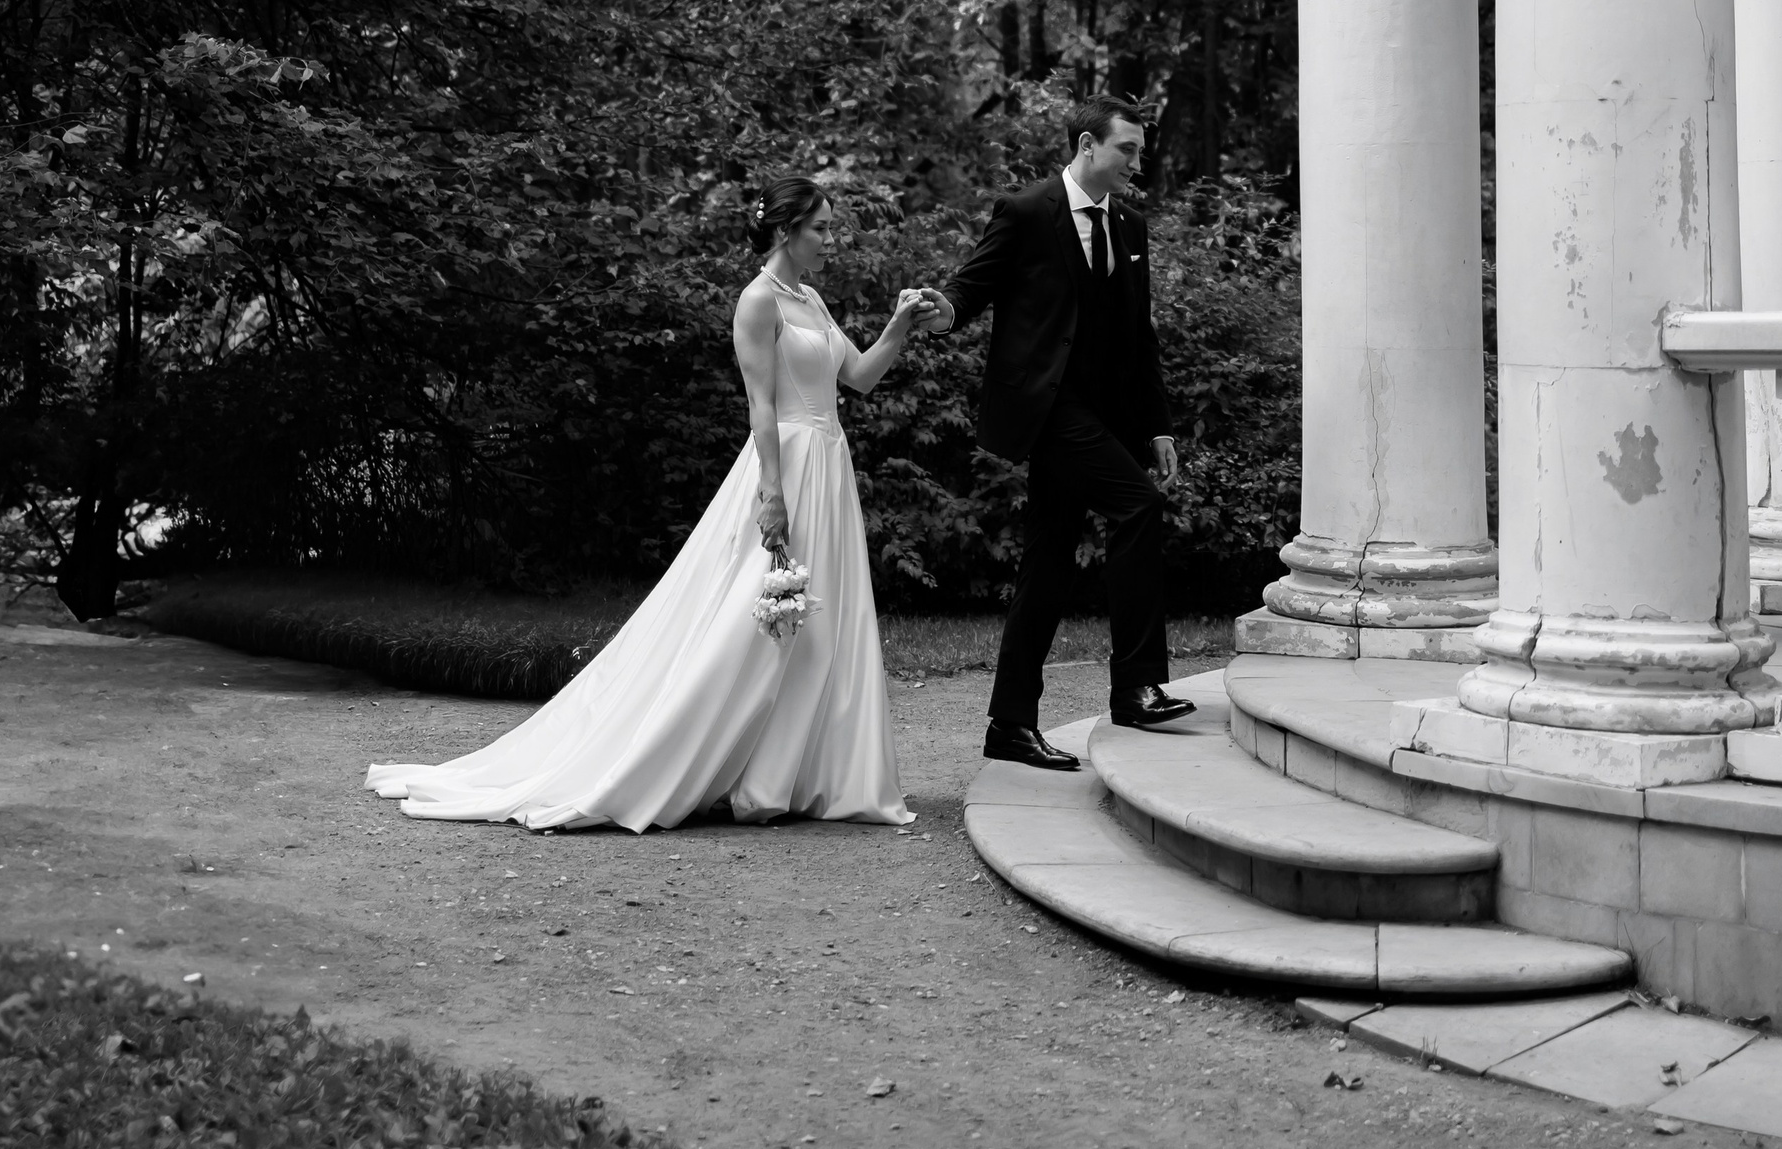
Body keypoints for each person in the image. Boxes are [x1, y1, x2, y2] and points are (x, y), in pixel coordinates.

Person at [365, 176, 937, 832]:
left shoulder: (810, 298)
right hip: (788, 468)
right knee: (753, 622)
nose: (831, 241)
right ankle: (700, 760)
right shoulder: (758, 301)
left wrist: (899, 325)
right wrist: (772, 494)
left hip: (829, 468)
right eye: (822, 229)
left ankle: (801, 774)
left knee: (821, 621)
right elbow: (762, 406)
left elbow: (858, 376)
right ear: (786, 231)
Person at [924, 96, 1191, 771]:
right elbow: (973, 286)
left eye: (1140, 151)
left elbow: (1140, 336)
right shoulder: (1026, 211)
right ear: (1086, 145)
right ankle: (1135, 686)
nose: (1138, 162)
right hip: (1048, 411)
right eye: (1127, 149)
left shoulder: (1129, 223)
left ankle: (1010, 723)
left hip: (1106, 416)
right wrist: (943, 308)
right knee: (1138, 505)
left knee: (1045, 566)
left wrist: (1157, 425)